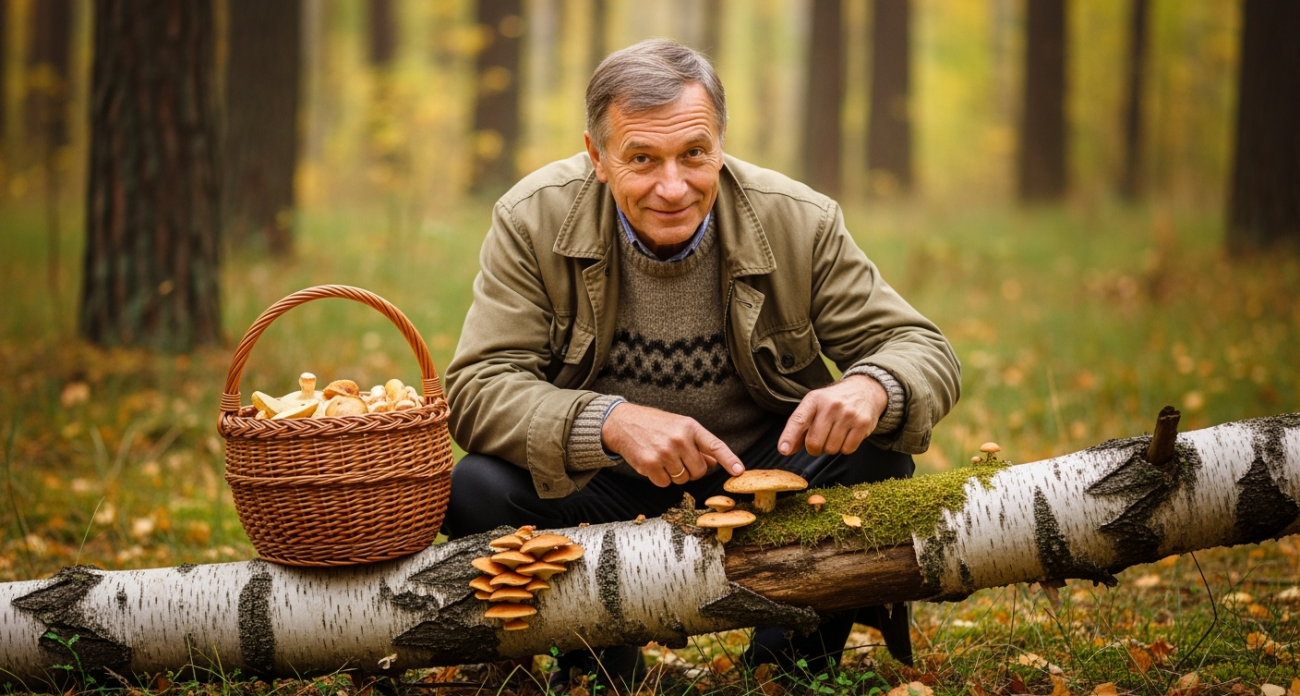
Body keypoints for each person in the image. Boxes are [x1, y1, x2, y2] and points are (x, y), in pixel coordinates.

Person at [442, 38, 960, 690]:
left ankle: (787, 668)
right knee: (476, 487)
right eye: (641, 159)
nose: (672, 186)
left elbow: (922, 347)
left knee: (877, 455)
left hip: (768, 480)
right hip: (602, 487)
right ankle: (599, 660)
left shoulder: (799, 220)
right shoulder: (532, 218)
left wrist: (872, 386)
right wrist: (610, 422)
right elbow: (478, 385)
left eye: (694, 154)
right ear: (596, 156)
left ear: (720, 141)